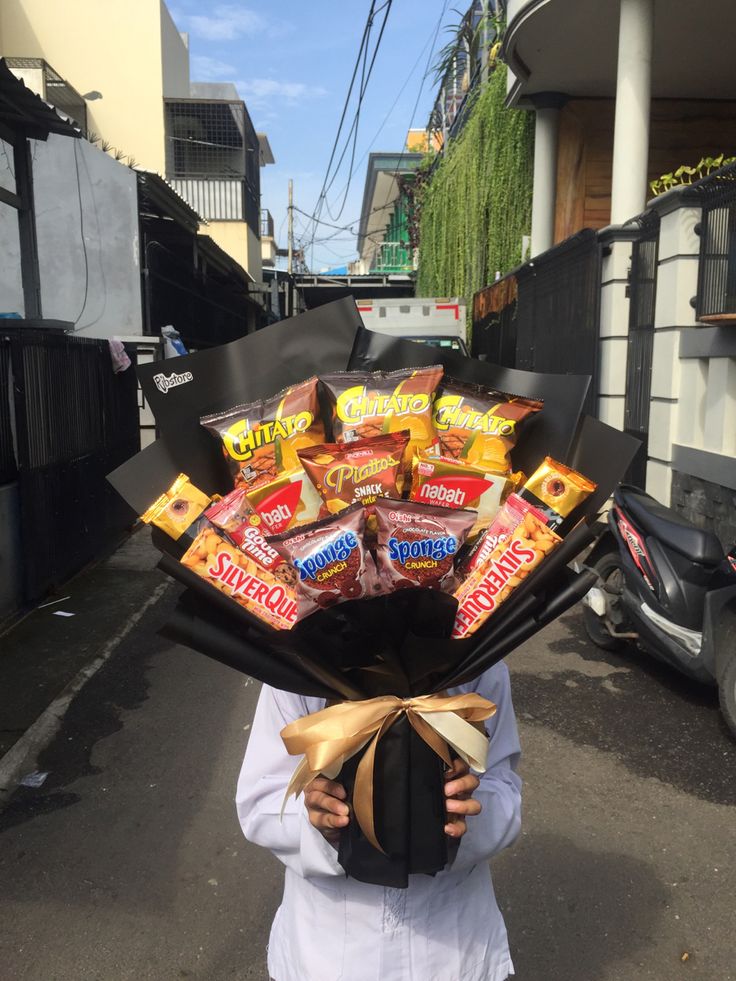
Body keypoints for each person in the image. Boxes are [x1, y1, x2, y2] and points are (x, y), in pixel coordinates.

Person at [236, 660, 522, 981]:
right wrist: (316, 819)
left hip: (452, 954)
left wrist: (466, 811)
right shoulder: (295, 668)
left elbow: (505, 790)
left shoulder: (479, 664)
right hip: (327, 956)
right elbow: (260, 802)